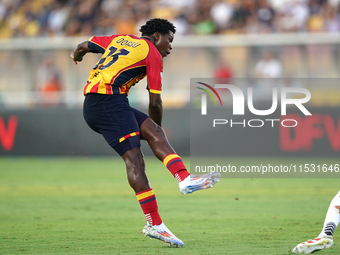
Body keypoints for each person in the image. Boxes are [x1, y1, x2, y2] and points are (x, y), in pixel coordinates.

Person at [70, 18, 220, 247]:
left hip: (104, 101)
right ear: (157, 36)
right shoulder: (152, 54)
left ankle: (184, 179)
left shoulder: (121, 39)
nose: (170, 46)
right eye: (169, 40)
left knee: (151, 134)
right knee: (135, 160)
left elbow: (83, 46)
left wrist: (76, 57)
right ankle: (154, 224)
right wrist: (155, 129)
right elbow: (155, 101)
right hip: (106, 103)